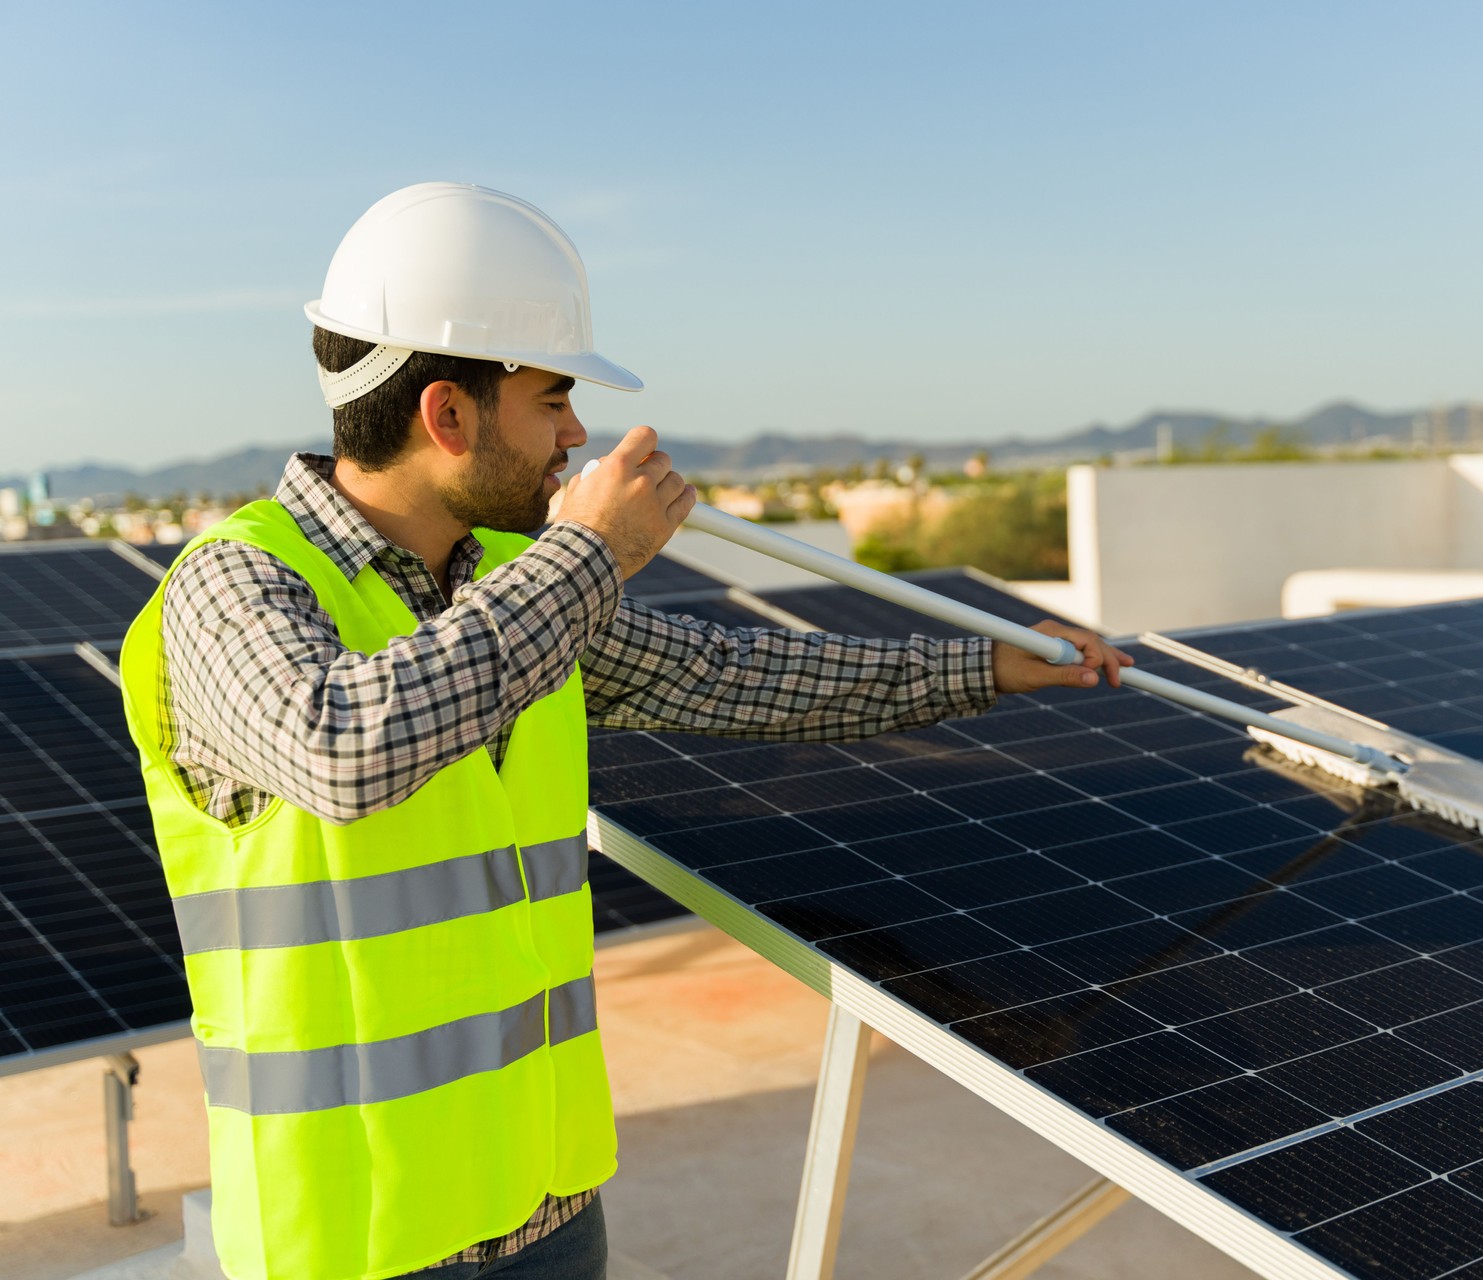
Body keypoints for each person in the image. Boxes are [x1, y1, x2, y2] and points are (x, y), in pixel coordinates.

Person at [118, 183, 1132, 1280]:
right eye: (552, 398)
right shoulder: (232, 585)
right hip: (357, 1242)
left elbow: (733, 675)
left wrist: (979, 664)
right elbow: (340, 747)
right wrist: (589, 555)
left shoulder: (517, 584)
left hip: (547, 1209)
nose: (576, 433)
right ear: (447, 416)